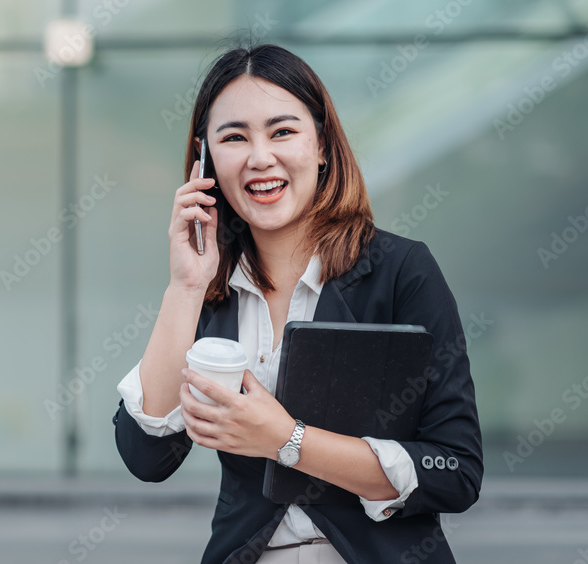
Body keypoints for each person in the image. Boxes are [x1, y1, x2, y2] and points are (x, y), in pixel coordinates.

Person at [112, 43, 483, 564]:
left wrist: (286, 440)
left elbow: (456, 472)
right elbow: (146, 456)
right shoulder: (210, 292)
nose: (260, 157)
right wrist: (186, 287)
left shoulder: (401, 272)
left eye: (282, 131)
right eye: (234, 137)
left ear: (323, 144)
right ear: (206, 160)